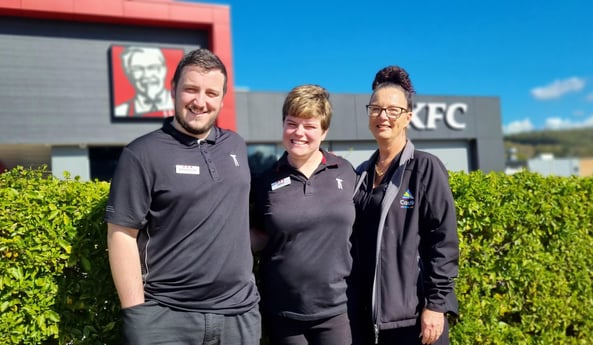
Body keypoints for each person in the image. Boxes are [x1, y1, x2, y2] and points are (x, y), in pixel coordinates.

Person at [105, 48, 261, 345]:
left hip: (239, 317)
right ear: (174, 89)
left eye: (211, 93)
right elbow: (121, 235)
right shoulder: (141, 153)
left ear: (222, 98)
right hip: (168, 318)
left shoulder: (236, 146)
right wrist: (137, 315)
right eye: (191, 89)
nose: (200, 102)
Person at [349, 66, 459, 345]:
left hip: (414, 318)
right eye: (375, 108)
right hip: (370, 319)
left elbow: (443, 242)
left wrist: (436, 305)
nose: (383, 116)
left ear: (408, 116)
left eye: (392, 110)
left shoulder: (424, 168)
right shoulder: (361, 174)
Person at [250, 84, 357, 345]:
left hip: (335, 311)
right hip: (284, 314)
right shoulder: (265, 181)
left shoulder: (345, 172)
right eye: (291, 123)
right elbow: (258, 235)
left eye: (309, 126)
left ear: (324, 131)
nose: (299, 133)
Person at [114, 46, 175, 117]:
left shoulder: (181, 107)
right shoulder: (121, 112)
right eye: (138, 69)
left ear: (164, 69)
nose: (147, 75)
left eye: (153, 67)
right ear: (128, 74)